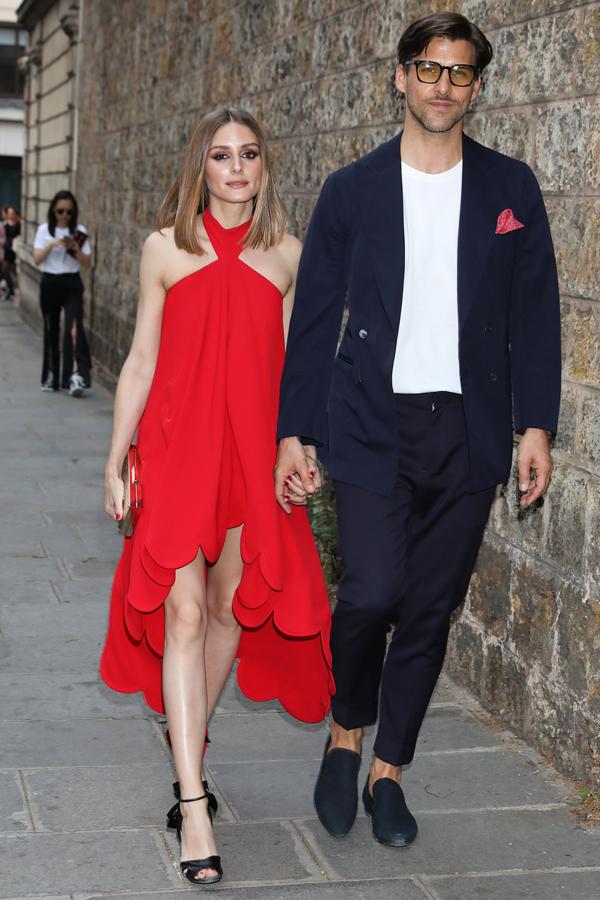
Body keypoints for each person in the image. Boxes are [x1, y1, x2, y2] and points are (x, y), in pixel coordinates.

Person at [275, 11, 560, 849]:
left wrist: (535, 425)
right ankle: (345, 728)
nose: (442, 86)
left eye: (460, 72)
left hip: (468, 431)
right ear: (400, 77)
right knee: (368, 591)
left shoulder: (512, 191)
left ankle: (389, 770)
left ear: (477, 86)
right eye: (428, 69)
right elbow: (316, 317)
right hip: (371, 423)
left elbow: (534, 316)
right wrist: (296, 431)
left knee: (430, 608)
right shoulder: (351, 190)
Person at [100, 107, 333, 886]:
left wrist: (298, 449)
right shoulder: (165, 249)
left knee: (234, 609)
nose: (237, 168)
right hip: (175, 455)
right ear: (201, 165)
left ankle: (186, 743)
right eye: (223, 155)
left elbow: (299, 376)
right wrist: (113, 459)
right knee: (186, 611)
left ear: (265, 167)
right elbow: (139, 360)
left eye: (251, 154)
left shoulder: (289, 257)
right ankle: (194, 802)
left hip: (251, 463)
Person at [32, 190, 92, 396]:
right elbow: (37, 259)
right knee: (51, 330)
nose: (65, 215)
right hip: (50, 282)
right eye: (60, 211)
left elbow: (87, 263)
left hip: (72, 283)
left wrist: (74, 248)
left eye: (69, 211)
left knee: (74, 328)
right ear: (53, 211)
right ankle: (51, 376)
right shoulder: (43, 230)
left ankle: (76, 376)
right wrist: (51, 244)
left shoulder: (79, 231)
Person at [2, 206, 20, 299]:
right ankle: (11, 289)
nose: (11, 215)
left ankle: (12, 289)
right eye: (9, 213)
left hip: (15, 250)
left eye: (12, 213)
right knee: (5, 270)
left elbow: (19, 236)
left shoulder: (18, 224)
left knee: (13, 271)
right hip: (8, 250)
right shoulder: (4, 225)